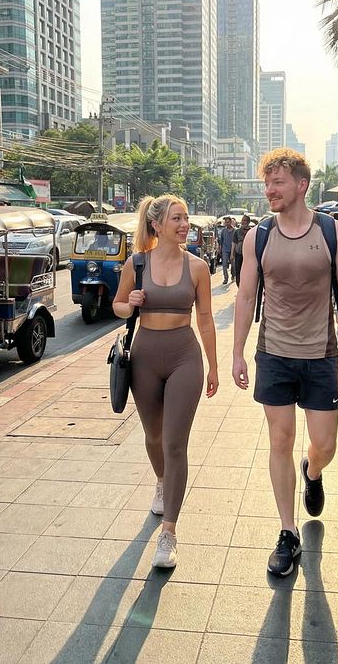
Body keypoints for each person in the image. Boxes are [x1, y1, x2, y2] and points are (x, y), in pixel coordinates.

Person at [232, 149, 338, 578]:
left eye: (277, 182)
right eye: (266, 183)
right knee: (280, 440)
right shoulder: (259, 236)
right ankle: (288, 532)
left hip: (320, 354)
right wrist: (236, 352)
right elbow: (245, 296)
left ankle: (312, 471)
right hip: (274, 353)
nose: (269, 191)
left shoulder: (332, 232)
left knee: (324, 444)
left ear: (301, 185)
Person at [112, 194, 218, 569]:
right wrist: (130, 303)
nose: (184, 224)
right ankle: (161, 481)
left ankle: (169, 533)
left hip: (184, 357)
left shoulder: (198, 267)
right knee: (154, 437)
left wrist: (214, 366)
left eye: (186, 218)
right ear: (157, 225)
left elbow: (205, 318)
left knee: (175, 443)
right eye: (176, 218)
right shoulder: (137, 263)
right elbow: (117, 306)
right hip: (144, 357)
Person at [232, 214, 251, 286]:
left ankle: (246, 286)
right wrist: (232, 254)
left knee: (247, 272)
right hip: (238, 254)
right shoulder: (237, 232)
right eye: (242, 220)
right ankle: (239, 286)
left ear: (248, 222)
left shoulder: (251, 231)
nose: (243, 222)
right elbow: (234, 243)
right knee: (238, 271)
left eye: (245, 220)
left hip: (249, 256)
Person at [218, 216, 235, 285]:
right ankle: (226, 278)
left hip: (233, 250)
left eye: (228, 222)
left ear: (231, 222)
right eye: (226, 222)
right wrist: (220, 249)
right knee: (224, 264)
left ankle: (233, 275)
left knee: (233, 265)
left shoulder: (235, 231)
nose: (227, 224)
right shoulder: (223, 231)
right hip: (225, 250)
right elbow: (221, 241)